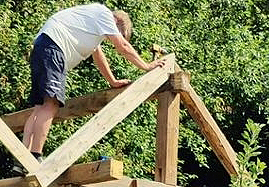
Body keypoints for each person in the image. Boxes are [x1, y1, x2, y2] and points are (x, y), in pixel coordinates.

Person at [20, 4, 166, 166]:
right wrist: (146, 66)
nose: (111, 39)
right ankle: (35, 156)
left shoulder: (92, 24)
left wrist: (112, 81)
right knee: (51, 105)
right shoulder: (104, 14)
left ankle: (22, 159)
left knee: (40, 108)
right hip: (54, 48)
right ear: (118, 22)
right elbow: (122, 46)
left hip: (42, 48)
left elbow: (98, 57)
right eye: (120, 34)